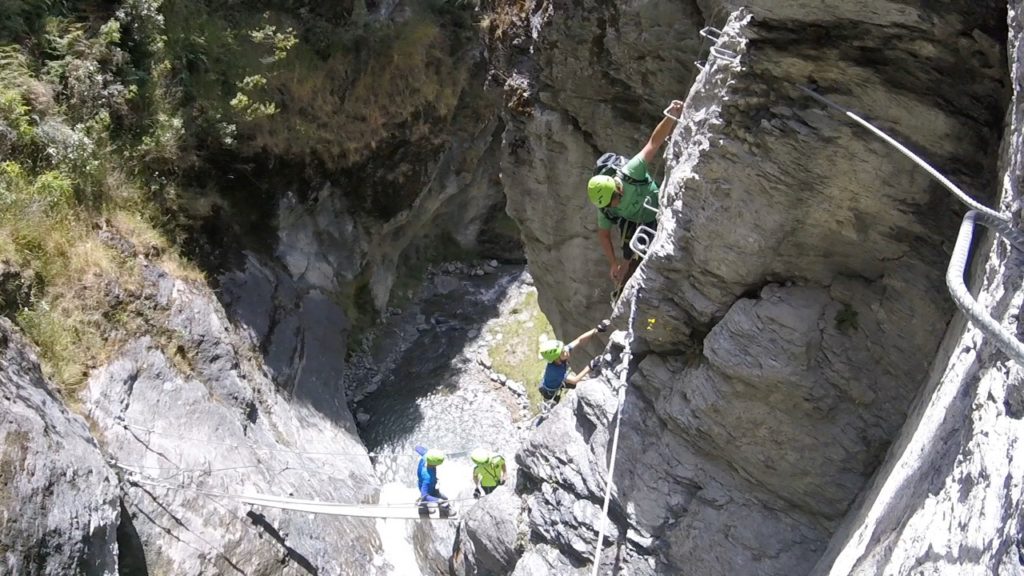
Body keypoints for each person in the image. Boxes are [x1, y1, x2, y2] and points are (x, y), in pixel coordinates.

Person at [587, 100, 684, 290]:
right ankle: (626, 270)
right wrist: (613, 262)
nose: (615, 205)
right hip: (639, 221)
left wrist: (671, 116)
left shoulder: (631, 173)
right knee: (629, 248)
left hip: (661, 207)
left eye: (615, 200)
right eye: (610, 204)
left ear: (616, 187)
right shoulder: (605, 207)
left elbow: (653, 143)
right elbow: (603, 234)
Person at [537, 320, 610, 402]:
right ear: (556, 358)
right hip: (550, 391)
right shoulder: (556, 372)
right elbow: (575, 380)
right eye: (563, 352)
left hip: (555, 381)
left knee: (580, 383)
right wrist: (591, 365)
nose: (566, 351)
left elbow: (579, 340)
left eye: (564, 348)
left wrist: (596, 330)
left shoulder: (560, 355)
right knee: (556, 399)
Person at [415, 446, 454, 517]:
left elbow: (417, 448)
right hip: (428, 486)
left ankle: (429, 507)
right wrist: (438, 500)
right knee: (441, 500)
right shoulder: (427, 477)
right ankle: (441, 517)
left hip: (427, 483)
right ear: (434, 464)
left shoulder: (426, 456)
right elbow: (424, 495)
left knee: (443, 498)